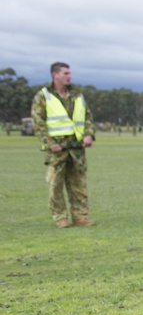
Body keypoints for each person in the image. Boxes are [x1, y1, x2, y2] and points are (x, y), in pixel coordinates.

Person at [31, 62, 96, 228]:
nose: (69, 76)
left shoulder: (77, 94)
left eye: (69, 73)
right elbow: (38, 123)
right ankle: (60, 217)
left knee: (79, 185)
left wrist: (89, 135)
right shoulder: (44, 96)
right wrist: (49, 143)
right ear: (55, 75)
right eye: (65, 73)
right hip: (57, 149)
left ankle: (80, 216)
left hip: (77, 148)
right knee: (55, 185)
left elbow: (87, 117)